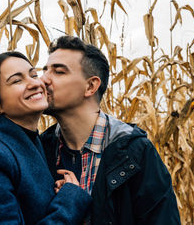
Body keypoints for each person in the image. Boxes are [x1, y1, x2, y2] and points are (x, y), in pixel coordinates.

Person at [40, 36, 181, 224]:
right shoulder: (40, 149)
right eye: (44, 71)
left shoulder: (134, 152)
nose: (42, 80)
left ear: (90, 86)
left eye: (58, 72)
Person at [0, 51, 91, 225]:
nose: (35, 83)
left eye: (33, 74)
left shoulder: (37, 145)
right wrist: (70, 201)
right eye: (17, 80)